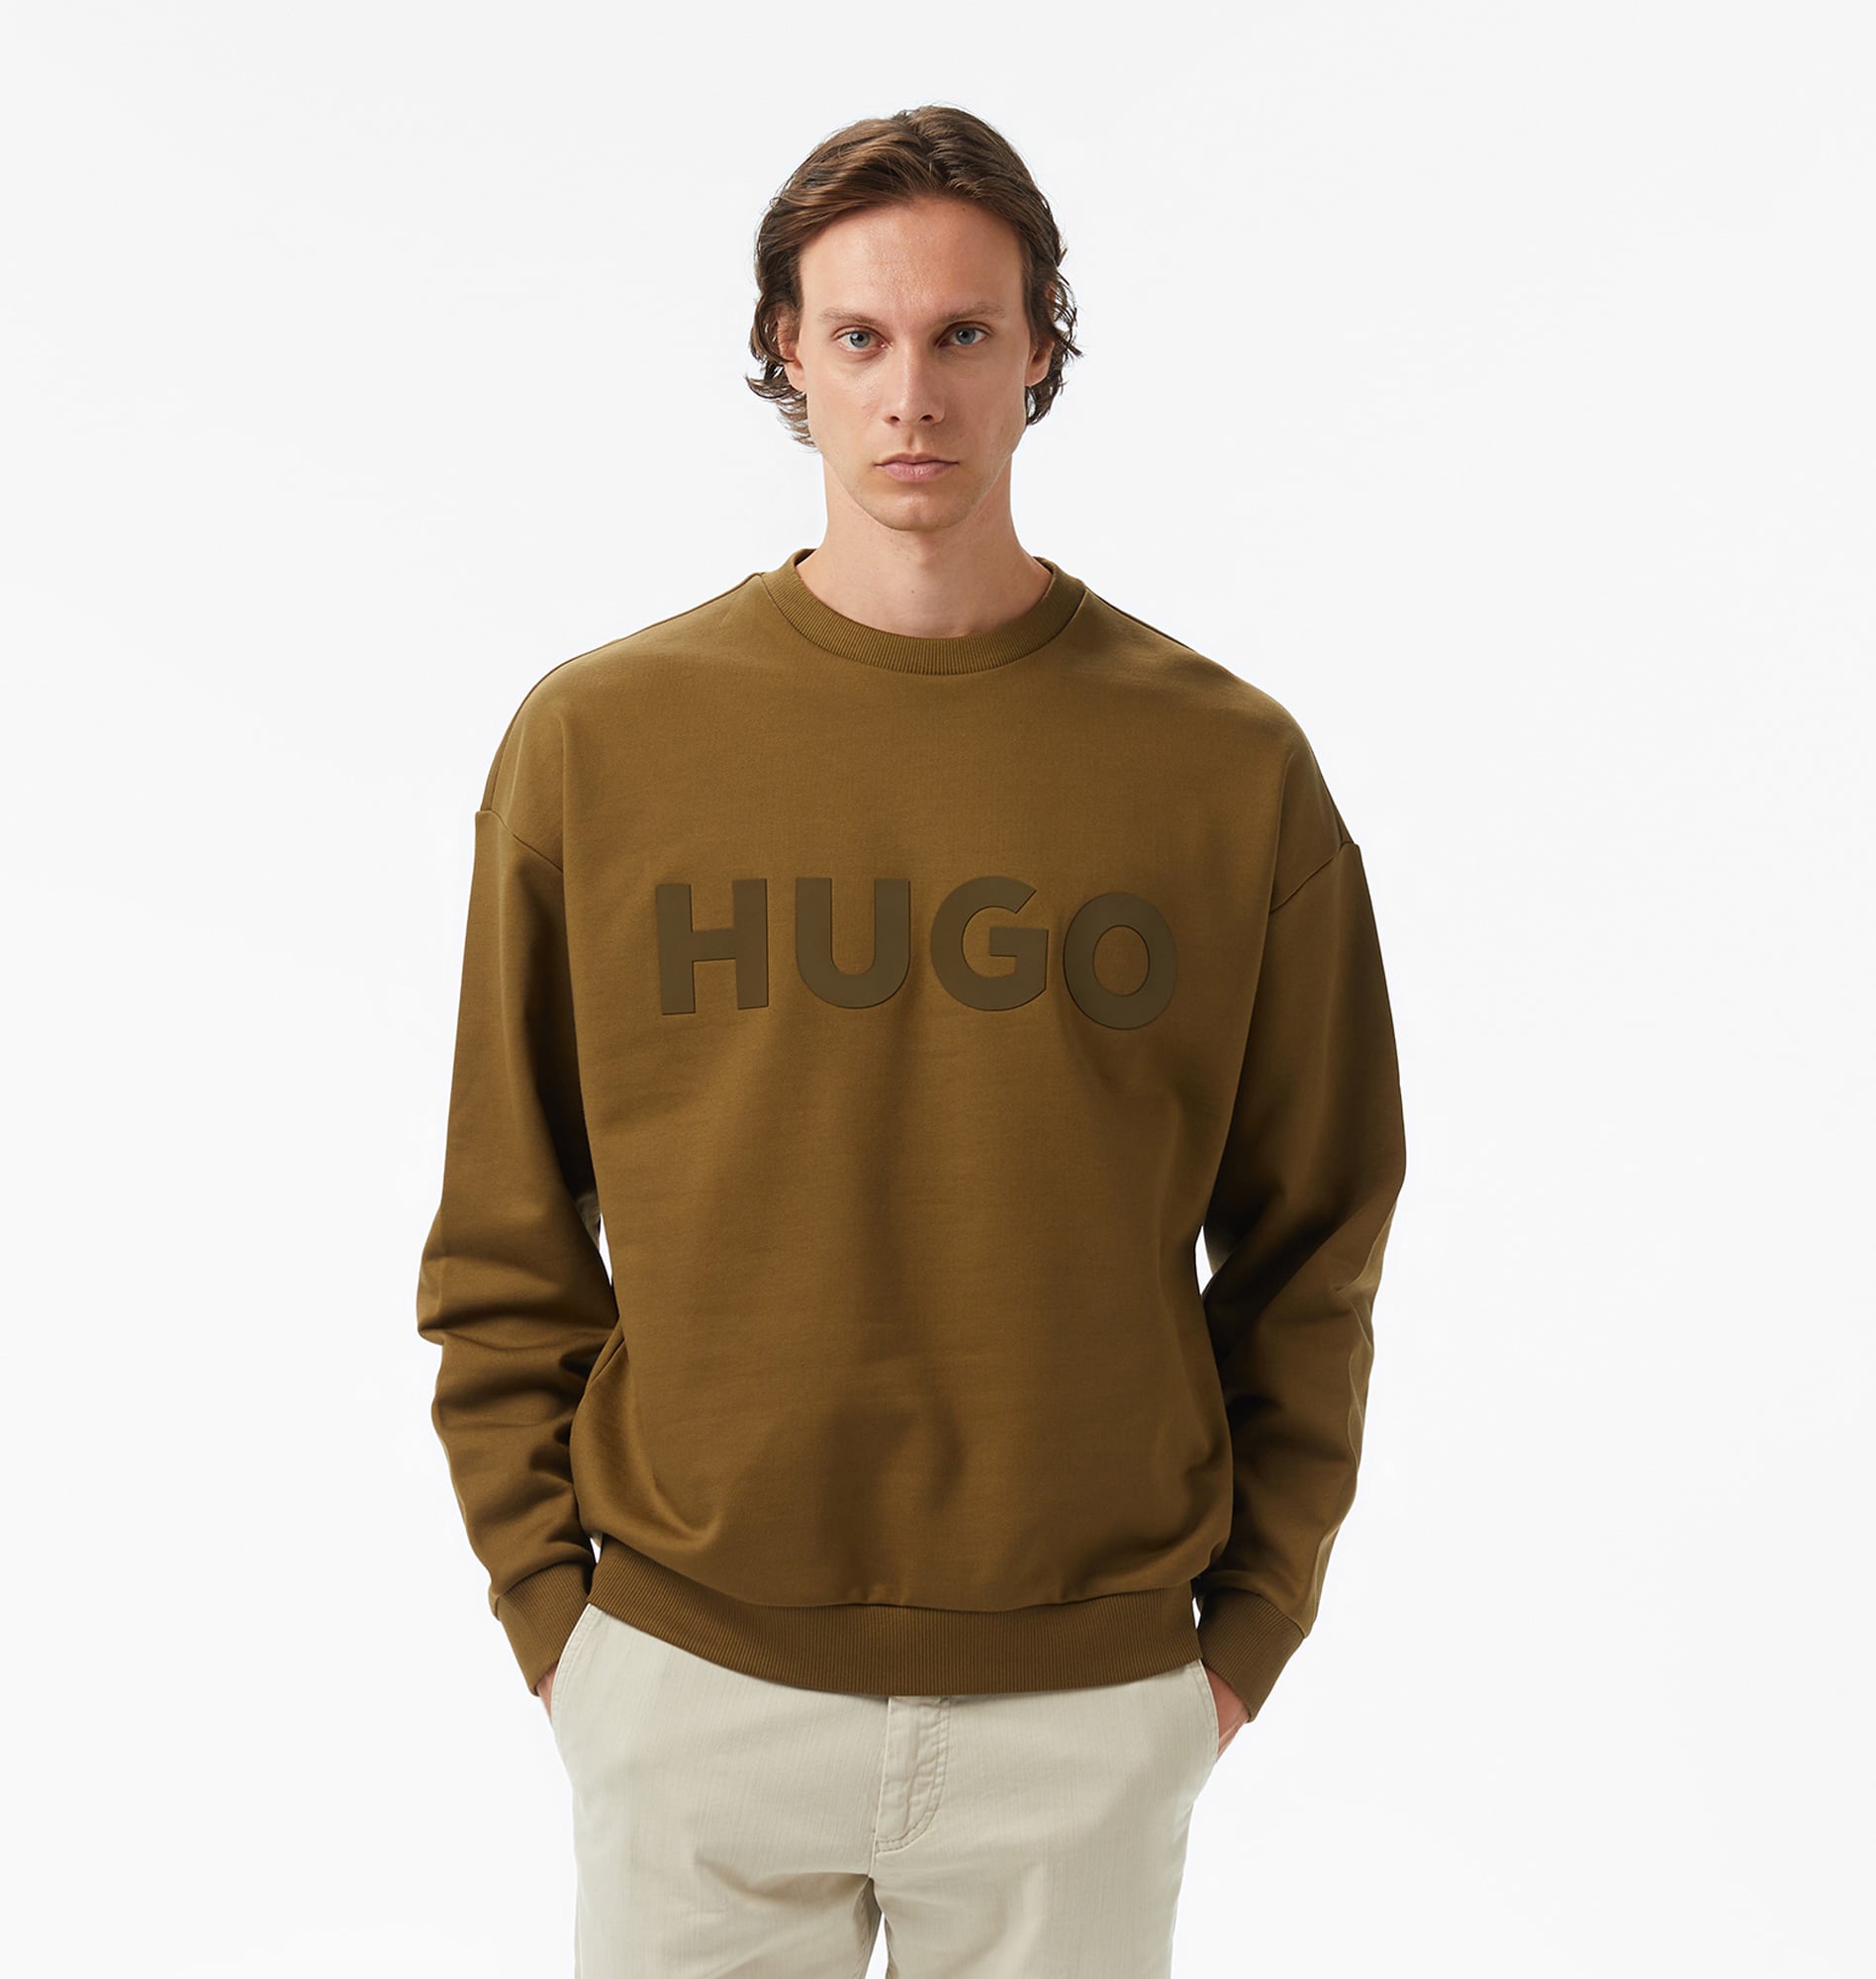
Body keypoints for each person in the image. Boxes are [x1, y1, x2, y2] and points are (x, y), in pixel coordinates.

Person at [417, 101, 1407, 1978]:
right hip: (692, 1685)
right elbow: (505, 1225)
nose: (912, 395)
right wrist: (559, 1624)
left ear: (1040, 351)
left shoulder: (1227, 769)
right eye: (861, 336)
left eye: (964, 333)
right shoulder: (599, 745)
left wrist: (1242, 1638)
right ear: (785, 350)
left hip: (1085, 1709)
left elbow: (1317, 1239)